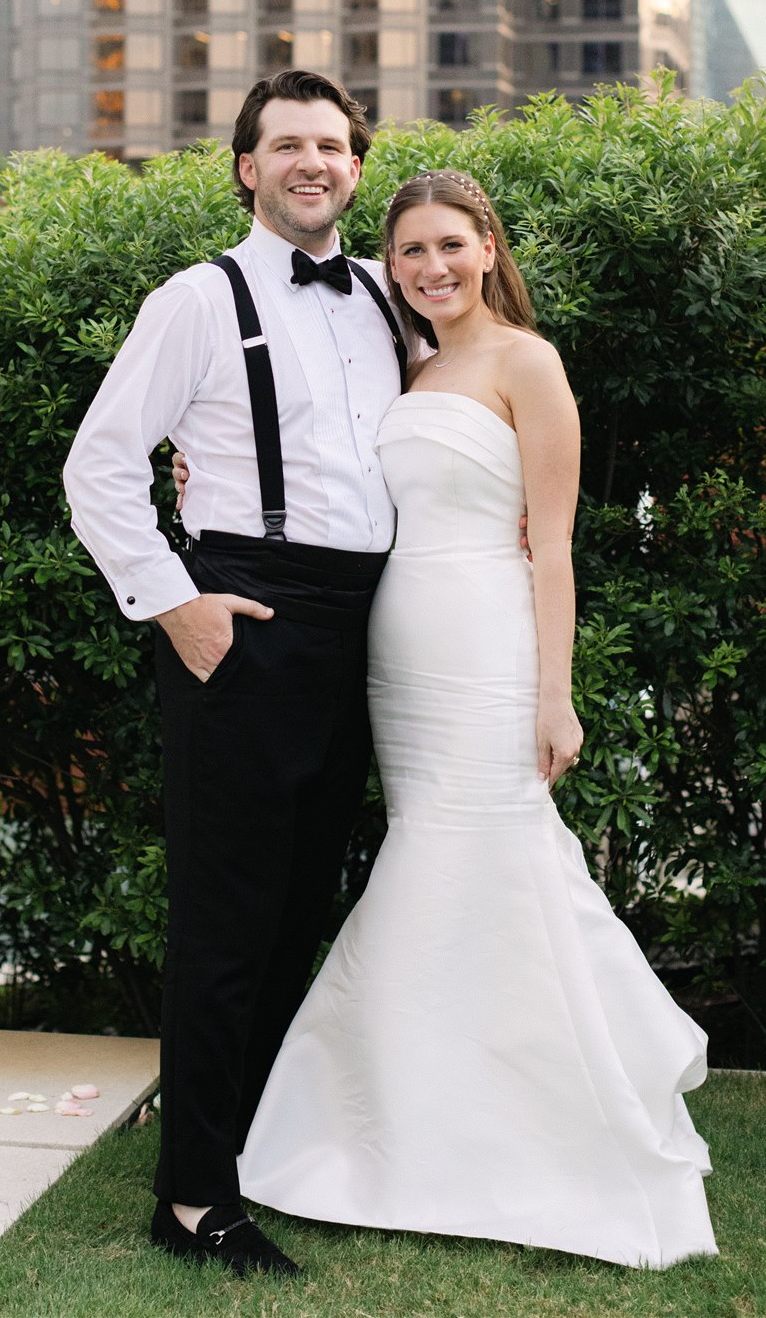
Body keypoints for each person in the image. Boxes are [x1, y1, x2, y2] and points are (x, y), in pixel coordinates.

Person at [236, 168, 718, 1270]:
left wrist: (556, 691)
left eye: (450, 244)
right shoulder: (412, 363)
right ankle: (415, 1118)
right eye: (409, 251)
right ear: (391, 264)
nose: (430, 266)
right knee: (432, 856)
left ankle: (532, 1129)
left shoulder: (526, 363)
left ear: (489, 246)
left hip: (489, 644)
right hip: (400, 642)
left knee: (482, 857)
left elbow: (550, 543)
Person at [62, 70, 410, 1279]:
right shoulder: (196, 299)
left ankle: (242, 1134)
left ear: (357, 167)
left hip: (367, 625)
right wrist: (177, 605)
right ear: (246, 168)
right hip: (245, 620)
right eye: (287, 144)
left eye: (333, 144)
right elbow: (99, 462)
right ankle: (193, 1199)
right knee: (228, 916)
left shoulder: (382, 296)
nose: (313, 161)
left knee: (305, 901)